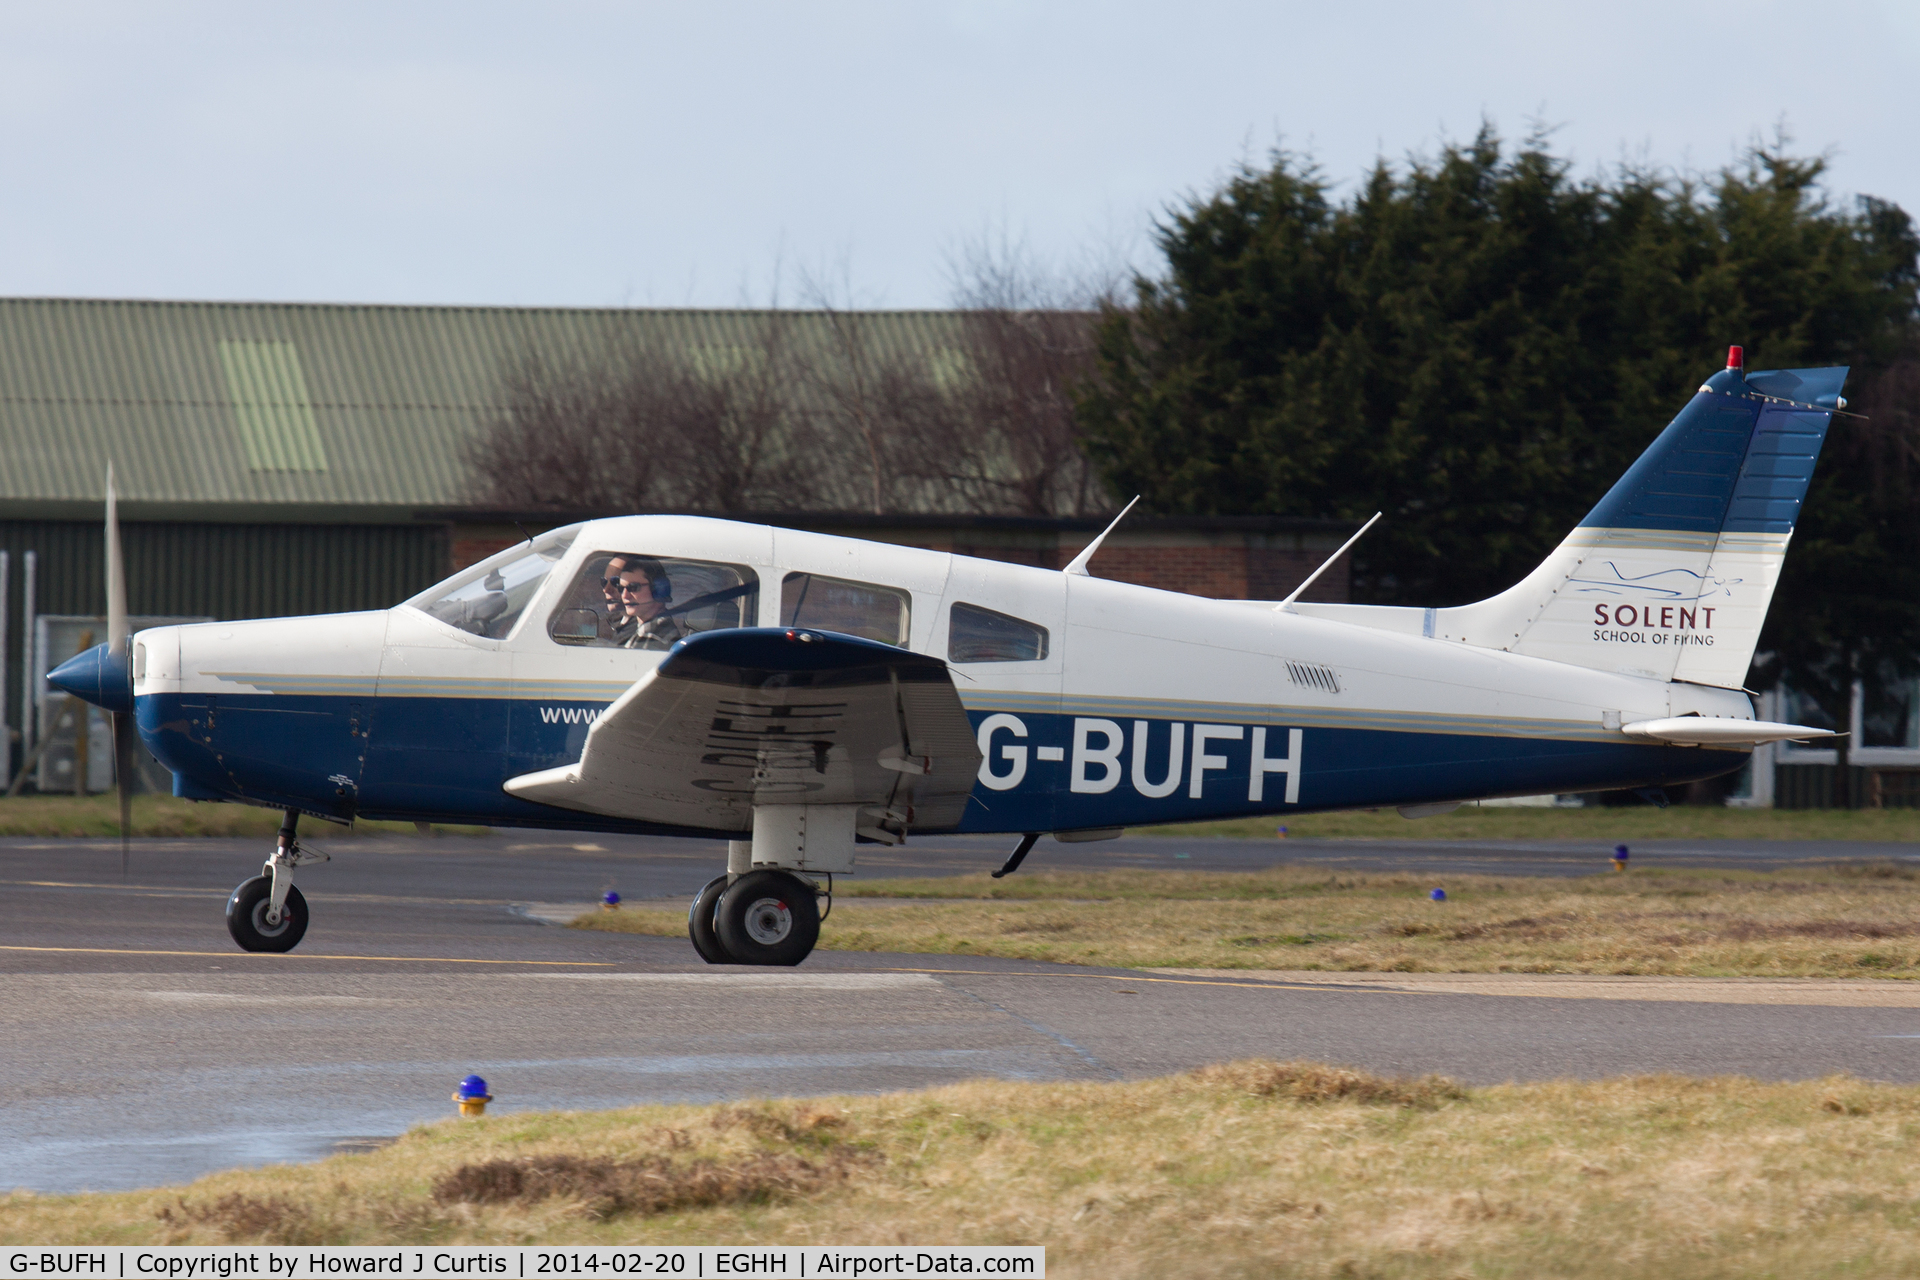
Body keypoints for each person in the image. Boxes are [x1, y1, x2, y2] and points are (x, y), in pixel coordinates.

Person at [612, 559, 688, 650]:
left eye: (633, 587)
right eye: (621, 588)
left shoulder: (654, 639)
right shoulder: (636, 626)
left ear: (659, 589)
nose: (624, 596)